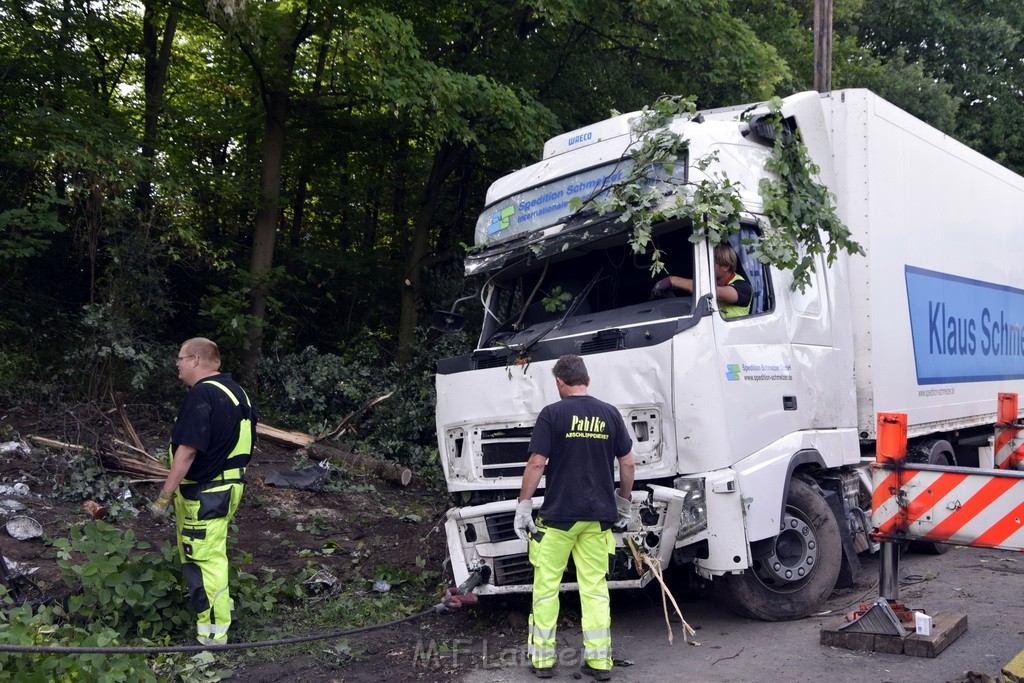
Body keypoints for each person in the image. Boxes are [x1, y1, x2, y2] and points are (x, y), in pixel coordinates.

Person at [514, 355, 635, 681]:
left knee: (546, 588)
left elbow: (537, 463)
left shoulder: (553, 414)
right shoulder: (610, 413)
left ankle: (542, 662)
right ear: (587, 380)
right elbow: (627, 463)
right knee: (594, 589)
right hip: (597, 520)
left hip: (558, 519)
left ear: (560, 383)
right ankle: (598, 663)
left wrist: (524, 505)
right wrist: (623, 502)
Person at [149, 337, 256, 646]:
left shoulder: (203, 394)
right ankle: (221, 614)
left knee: (203, 560)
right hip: (228, 486)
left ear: (195, 360)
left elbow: (187, 452)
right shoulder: (236, 392)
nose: (178, 365)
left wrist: (163, 498)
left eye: (181, 359)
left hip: (206, 493)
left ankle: (212, 636)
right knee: (211, 554)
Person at [651, 243, 752, 318]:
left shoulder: (743, 287)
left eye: (711, 262)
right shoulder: (713, 282)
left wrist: (673, 280)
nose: (706, 265)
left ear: (725, 266)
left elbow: (716, 292)